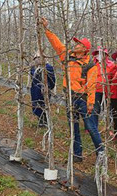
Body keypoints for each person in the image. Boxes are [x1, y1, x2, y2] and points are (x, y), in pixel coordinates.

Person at [40, 17, 101, 161]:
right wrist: (46, 29)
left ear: (85, 49)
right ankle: (77, 154)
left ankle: (101, 153)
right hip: (70, 98)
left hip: (83, 100)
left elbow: (92, 85)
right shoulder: (67, 57)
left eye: (79, 44)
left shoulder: (90, 65)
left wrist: (91, 104)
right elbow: (56, 43)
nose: (76, 45)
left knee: (91, 127)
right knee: (73, 128)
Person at [86, 46, 113, 132]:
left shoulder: (111, 65)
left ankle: (109, 128)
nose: (99, 56)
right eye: (98, 54)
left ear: (106, 55)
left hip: (107, 91)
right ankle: (93, 127)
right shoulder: (93, 65)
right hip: (95, 90)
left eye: (101, 54)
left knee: (108, 109)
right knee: (95, 109)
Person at [29, 53, 56, 128]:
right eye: (35, 58)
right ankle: (40, 121)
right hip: (35, 90)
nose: (37, 60)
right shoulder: (34, 68)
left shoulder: (48, 67)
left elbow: (52, 80)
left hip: (44, 90)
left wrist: (48, 87)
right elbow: (33, 78)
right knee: (36, 105)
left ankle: (46, 121)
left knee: (44, 105)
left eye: (38, 58)